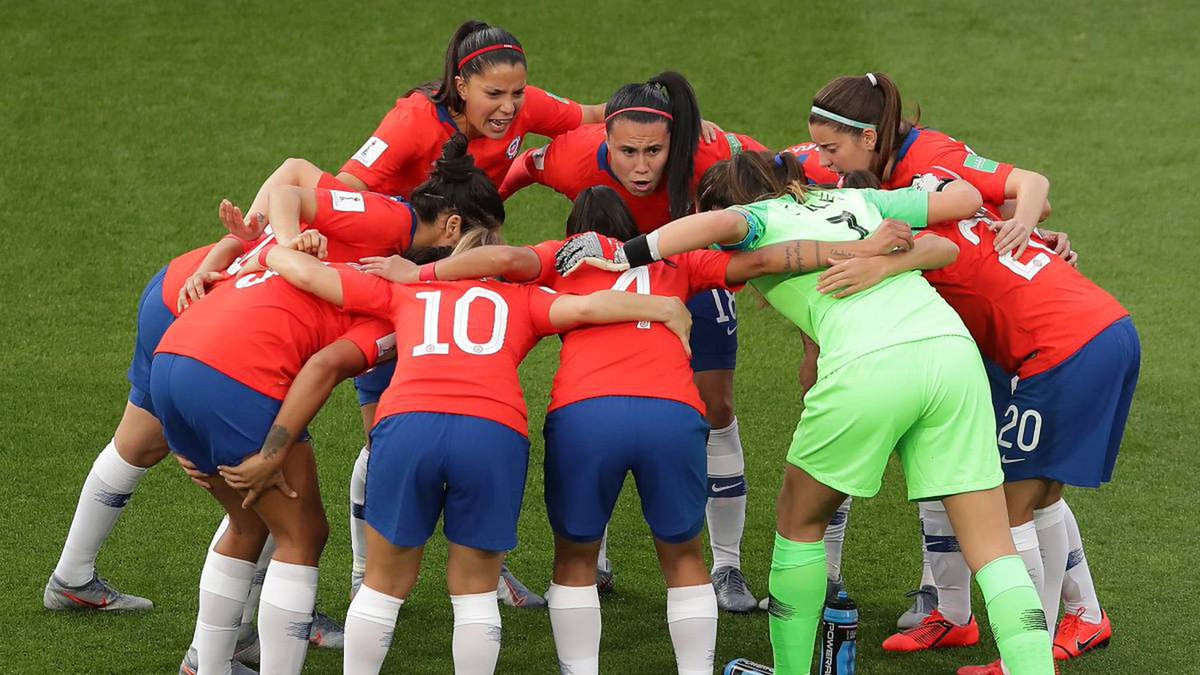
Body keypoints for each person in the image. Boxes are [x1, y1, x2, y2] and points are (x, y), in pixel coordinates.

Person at [359, 185, 912, 673]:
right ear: (635, 231)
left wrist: (421, 273)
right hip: (671, 412)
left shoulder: (561, 260)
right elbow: (765, 262)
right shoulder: (677, 261)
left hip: (585, 415)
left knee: (576, 558)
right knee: (685, 556)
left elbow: (501, 257)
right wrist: (860, 248)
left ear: (577, 233)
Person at [554, 151, 1057, 675]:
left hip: (870, 363)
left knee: (800, 522)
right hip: (952, 354)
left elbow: (720, 223)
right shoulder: (854, 197)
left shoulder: (756, 220)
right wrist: (887, 257)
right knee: (993, 544)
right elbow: (967, 202)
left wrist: (626, 253)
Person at [259, 234, 693, 675]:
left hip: (410, 423)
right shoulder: (522, 297)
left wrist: (260, 246)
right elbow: (585, 308)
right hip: (492, 431)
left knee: (383, 585)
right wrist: (662, 307)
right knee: (475, 592)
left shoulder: (407, 288)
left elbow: (308, 274)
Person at [501, 70, 768, 611]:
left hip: (690, 271)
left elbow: (778, 171)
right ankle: (592, 553)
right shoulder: (573, 155)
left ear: (677, 142)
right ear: (605, 143)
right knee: (601, 387)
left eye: (654, 152)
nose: (642, 167)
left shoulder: (707, 150)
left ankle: (727, 567)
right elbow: (518, 167)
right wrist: (489, 215)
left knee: (716, 406)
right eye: (627, 152)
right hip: (602, 274)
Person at [44, 233, 258, 610]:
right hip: (212, 321)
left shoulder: (336, 196)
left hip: (174, 289)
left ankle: (71, 579)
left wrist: (222, 252)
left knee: (135, 444)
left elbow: (284, 184)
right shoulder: (371, 254)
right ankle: (245, 634)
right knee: (274, 496)